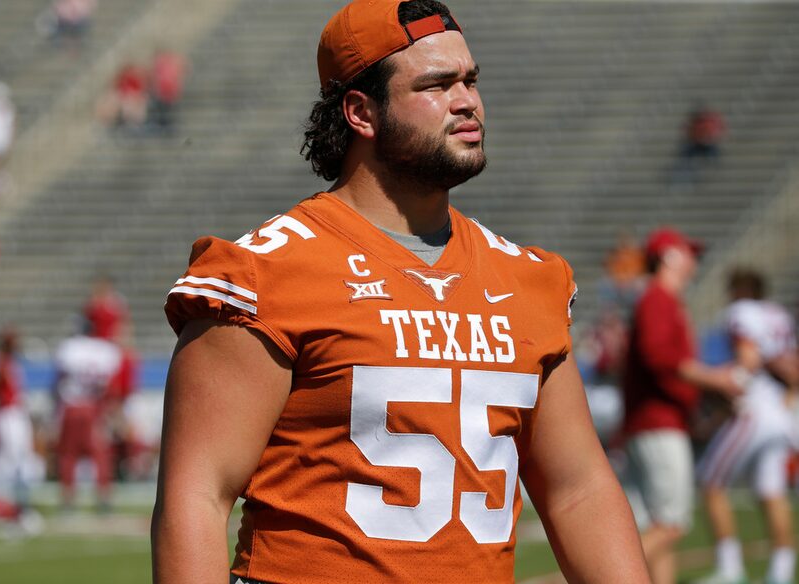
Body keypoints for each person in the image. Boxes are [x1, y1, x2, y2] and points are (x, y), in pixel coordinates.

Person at [152, 1, 650, 582]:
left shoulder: (528, 279)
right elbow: (198, 495)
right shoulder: (266, 272)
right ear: (362, 112)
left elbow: (577, 489)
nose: (467, 101)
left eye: (470, 80)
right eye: (437, 84)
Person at [621, 227, 743, 584]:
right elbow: (660, 357)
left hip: (655, 422)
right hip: (658, 423)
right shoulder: (658, 298)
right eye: (687, 253)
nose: (694, 261)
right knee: (671, 526)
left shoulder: (661, 298)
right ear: (670, 257)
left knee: (660, 524)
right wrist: (716, 380)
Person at [694, 270, 798, 584]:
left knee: (710, 482)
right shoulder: (778, 314)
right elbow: (786, 360)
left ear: (739, 289)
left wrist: (727, 382)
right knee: (772, 491)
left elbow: (750, 357)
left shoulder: (743, 313)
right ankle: (780, 573)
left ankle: (730, 569)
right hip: (783, 410)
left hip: (756, 409)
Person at [53, 320, 122, 511]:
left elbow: (59, 379)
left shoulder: (69, 349)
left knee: (68, 455)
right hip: (94, 407)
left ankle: (68, 500)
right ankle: (104, 498)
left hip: (72, 406)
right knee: (100, 455)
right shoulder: (105, 351)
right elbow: (110, 384)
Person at [0, 327, 42, 509]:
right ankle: (1, 499)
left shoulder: (10, 363)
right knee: (7, 457)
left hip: (16, 412)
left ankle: (18, 498)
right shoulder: (2, 362)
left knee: (21, 455)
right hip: (7, 413)